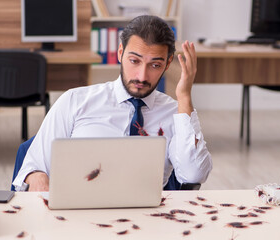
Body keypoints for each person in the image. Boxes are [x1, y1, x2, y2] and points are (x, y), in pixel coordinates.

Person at [13, 15, 212, 192]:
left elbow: (193, 175)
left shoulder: (175, 113)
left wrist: (184, 96)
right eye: (134, 61)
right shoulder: (75, 101)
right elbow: (33, 166)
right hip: (80, 211)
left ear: (167, 65)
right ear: (120, 53)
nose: (142, 76)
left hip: (147, 219)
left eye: (155, 65)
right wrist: (37, 176)